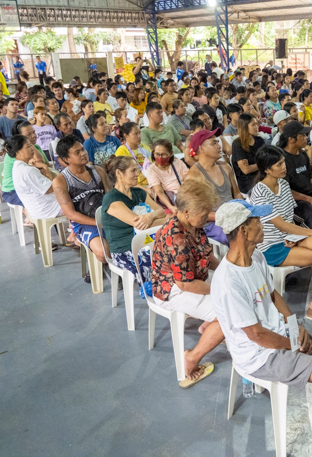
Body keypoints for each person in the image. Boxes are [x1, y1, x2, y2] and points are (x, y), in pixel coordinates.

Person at [211, 200, 312, 457]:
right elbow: (256, 335)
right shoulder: (229, 282)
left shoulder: (256, 257)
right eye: (256, 222)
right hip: (260, 356)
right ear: (243, 231)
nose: (262, 225)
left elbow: (273, 296)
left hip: (280, 334)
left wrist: (293, 326)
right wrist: (295, 344)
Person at [148, 179, 225, 385]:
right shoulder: (177, 237)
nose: (207, 217)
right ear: (187, 212)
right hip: (171, 291)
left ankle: (209, 325)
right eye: (203, 213)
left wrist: (228, 271)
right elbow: (186, 284)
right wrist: (220, 290)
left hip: (192, 281)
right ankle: (191, 357)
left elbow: (207, 257)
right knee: (230, 314)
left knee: (230, 300)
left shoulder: (194, 225)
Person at [249, 146, 312, 321]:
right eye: (279, 164)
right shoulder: (259, 190)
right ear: (266, 169)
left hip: (288, 237)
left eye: (283, 162)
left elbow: (290, 219)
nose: (284, 166)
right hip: (271, 246)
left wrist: (299, 237)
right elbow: (280, 224)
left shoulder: (284, 184)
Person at [101, 155, 166, 284]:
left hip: (147, 241)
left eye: (137, 170)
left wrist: (150, 216)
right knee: (157, 263)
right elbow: (139, 224)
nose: (138, 174)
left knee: (176, 251)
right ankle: (156, 294)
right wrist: (161, 219)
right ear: (119, 173)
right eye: (133, 171)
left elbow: (161, 212)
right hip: (124, 249)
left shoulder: (138, 192)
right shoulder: (111, 198)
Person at [52, 135, 109, 264]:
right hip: (84, 223)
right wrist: (99, 223)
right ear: (67, 159)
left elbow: (111, 197)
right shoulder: (61, 181)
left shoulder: (98, 171)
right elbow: (71, 214)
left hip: (106, 216)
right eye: (77, 152)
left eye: (83, 149)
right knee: (103, 252)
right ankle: (100, 267)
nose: (83, 153)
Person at [185, 129, 244, 244]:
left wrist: (241, 207)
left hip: (232, 216)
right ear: (201, 148)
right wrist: (224, 215)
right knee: (240, 236)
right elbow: (195, 213)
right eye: (214, 143)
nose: (219, 146)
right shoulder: (194, 176)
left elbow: (236, 193)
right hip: (213, 224)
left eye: (217, 142)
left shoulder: (225, 167)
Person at [8, 134, 62, 220]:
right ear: (18, 151)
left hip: (40, 208)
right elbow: (52, 188)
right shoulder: (27, 171)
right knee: (77, 201)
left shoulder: (18, 166)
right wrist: (45, 168)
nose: (32, 149)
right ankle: (76, 231)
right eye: (28, 147)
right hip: (48, 209)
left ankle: (74, 231)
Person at [147, 139, 188, 207]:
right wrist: (170, 207)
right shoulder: (151, 170)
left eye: (163, 154)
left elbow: (188, 180)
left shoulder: (178, 163)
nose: (160, 157)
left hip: (184, 195)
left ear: (171, 153)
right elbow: (159, 191)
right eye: (157, 154)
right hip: (168, 200)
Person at [231, 114, 264, 194]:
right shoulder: (238, 144)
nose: (256, 126)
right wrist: (262, 164)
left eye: (256, 124)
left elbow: (267, 160)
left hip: (262, 175)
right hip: (247, 181)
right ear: (245, 127)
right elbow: (246, 170)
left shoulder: (260, 141)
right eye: (253, 124)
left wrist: (254, 165)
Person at [114, 121, 152, 189]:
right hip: (134, 187)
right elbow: (124, 179)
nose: (139, 136)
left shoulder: (145, 148)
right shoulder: (121, 151)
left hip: (151, 182)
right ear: (126, 136)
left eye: (139, 133)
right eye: (135, 134)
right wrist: (146, 189)